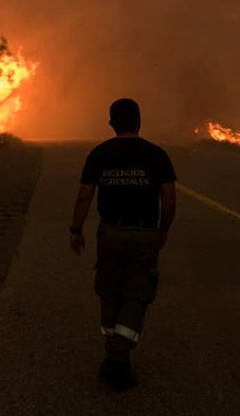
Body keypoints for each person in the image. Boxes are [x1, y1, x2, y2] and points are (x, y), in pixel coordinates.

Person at [69, 98, 176, 391]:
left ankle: (115, 355)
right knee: (137, 294)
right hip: (143, 234)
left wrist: (76, 229)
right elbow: (168, 201)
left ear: (112, 124)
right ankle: (117, 359)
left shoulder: (99, 154)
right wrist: (162, 231)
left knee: (110, 291)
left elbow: (84, 197)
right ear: (139, 122)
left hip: (109, 233)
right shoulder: (157, 155)